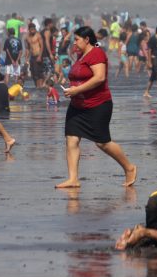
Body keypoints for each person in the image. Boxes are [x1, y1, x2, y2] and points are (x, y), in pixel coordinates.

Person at [56, 26, 137, 189]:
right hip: (77, 106)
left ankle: (129, 168)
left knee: (102, 143)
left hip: (98, 105)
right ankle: (73, 179)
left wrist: (77, 90)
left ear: (87, 39)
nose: (74, 42)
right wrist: (71, 88)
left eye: (77, 39)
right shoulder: (81, 55)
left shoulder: (97, 53)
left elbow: (99, 78)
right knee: (71, 139)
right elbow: (79, 76)